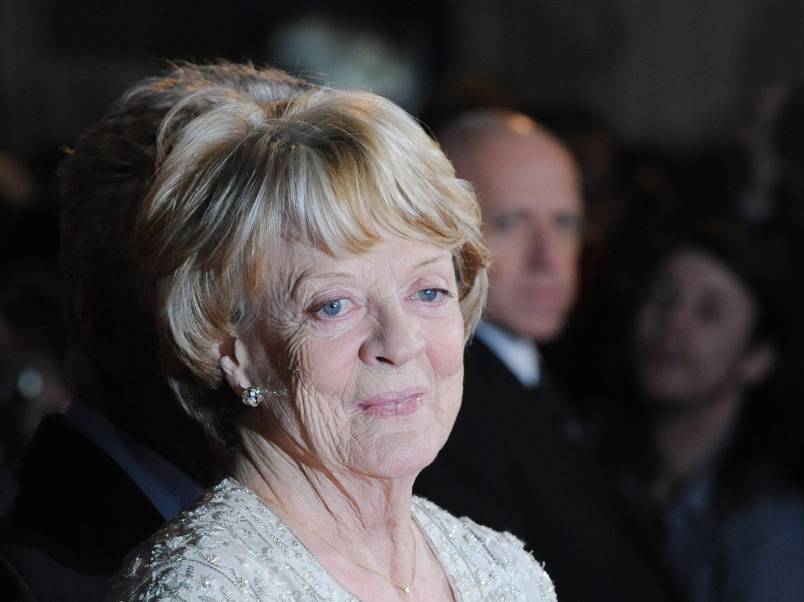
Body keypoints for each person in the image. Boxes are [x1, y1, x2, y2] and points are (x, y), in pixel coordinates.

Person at [108, 68, 555, 601]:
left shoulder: (503, 571)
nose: (401, 341)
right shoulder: (206, 590)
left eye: (428, 292)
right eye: (334, 305)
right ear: (232, 348)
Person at [0, 63, 314, 601]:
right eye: (222, 306)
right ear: (104, 325)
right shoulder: (27, 576)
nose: (277, 350)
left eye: (317, 300)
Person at [415, 110, 673, 601]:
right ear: (440, 231)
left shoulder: (541, 371)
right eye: (511, 222)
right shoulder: (446, 407)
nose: (547, 257)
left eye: (565, 222)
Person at [577, 219, 804, 601]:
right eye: (663, 298)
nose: (673, 321)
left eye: (709, 312)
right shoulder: (593, 462)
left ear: (757, 358)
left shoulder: (778, 540)